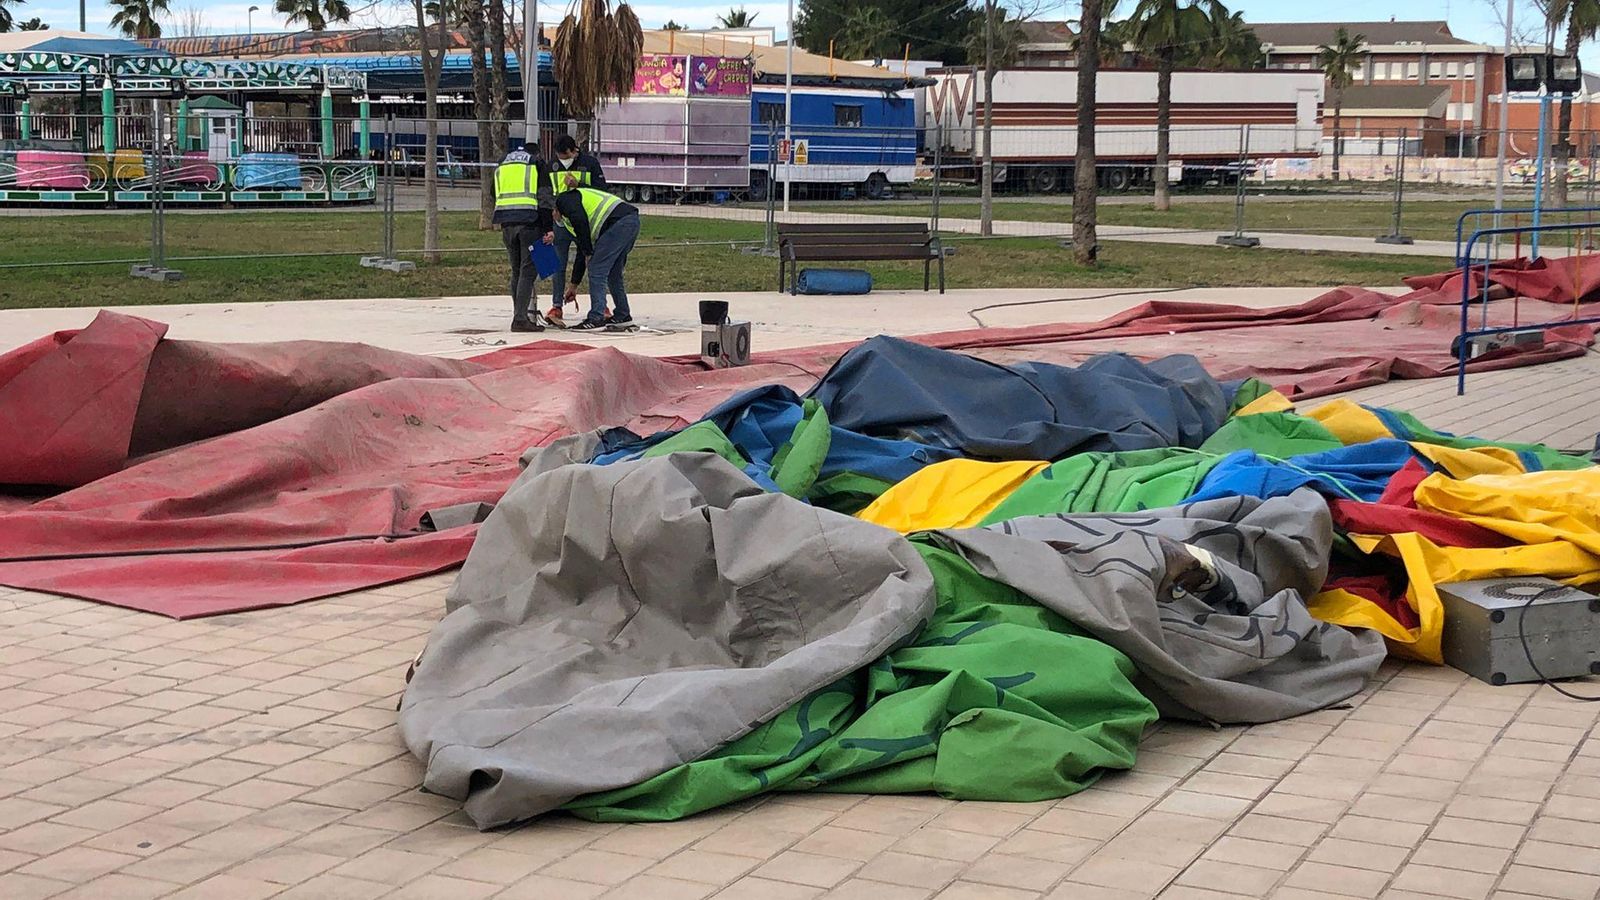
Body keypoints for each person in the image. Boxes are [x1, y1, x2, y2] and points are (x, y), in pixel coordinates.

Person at [554, 185, 639, 331]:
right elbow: (582, 251)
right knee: (613, 272)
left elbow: (580, 221)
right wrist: (573, 286)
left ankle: (596, 317)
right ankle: (623, 314)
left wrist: (588, 252)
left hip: (617, 223)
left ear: (554, 209)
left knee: (596, 270)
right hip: (629, 220)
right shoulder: (572, 214)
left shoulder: (564, 200)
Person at [492, 146, 553, 332]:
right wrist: (548, 228)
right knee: (528, 270)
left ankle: (519, 313)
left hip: (506, 223)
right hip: (530, 223)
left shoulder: (503, 164)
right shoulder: (536, 163)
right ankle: (520, 319)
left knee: (516, 270)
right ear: (537, 153)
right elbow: (545, 198)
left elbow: (492, 192)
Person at [548, 135, 608, 323]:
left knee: (591, 260)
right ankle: (556, 306)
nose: (562, 159)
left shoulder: (589, 163)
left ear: (574, 151)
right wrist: (553, 210)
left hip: (583, 221)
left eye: (565, 156)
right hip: (560, 223)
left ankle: (600, 305)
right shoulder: (551, 165)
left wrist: (579, 185)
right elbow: (546, 191)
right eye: (559, 156)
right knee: (556, 264)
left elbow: (602, 190)